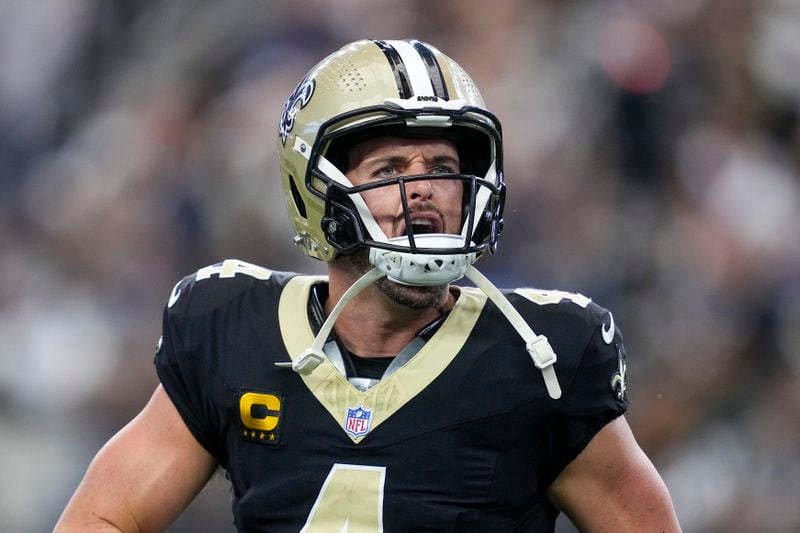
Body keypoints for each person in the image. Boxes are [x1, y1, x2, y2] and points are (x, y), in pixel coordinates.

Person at [56, 39, 680, 532]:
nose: (425, 190)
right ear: (316, 190)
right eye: (390, 170)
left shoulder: (545, 356)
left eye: (443, 168)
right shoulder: (229, 329)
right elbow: (105, 518)